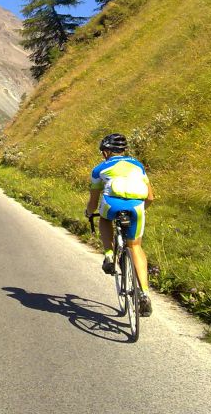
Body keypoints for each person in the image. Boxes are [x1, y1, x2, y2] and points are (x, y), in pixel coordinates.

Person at [85, 133, 155, 316]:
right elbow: (150, 197)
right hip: (137, 207)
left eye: (103, 152)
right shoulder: (138, 165)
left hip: (112, 204)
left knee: (104, 218)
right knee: (136, 247)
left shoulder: (99, 169)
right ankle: (145, 294)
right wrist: (140, 209)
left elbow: (94, 200)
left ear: (107, 152)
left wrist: (88, 212)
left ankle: (109, 254)